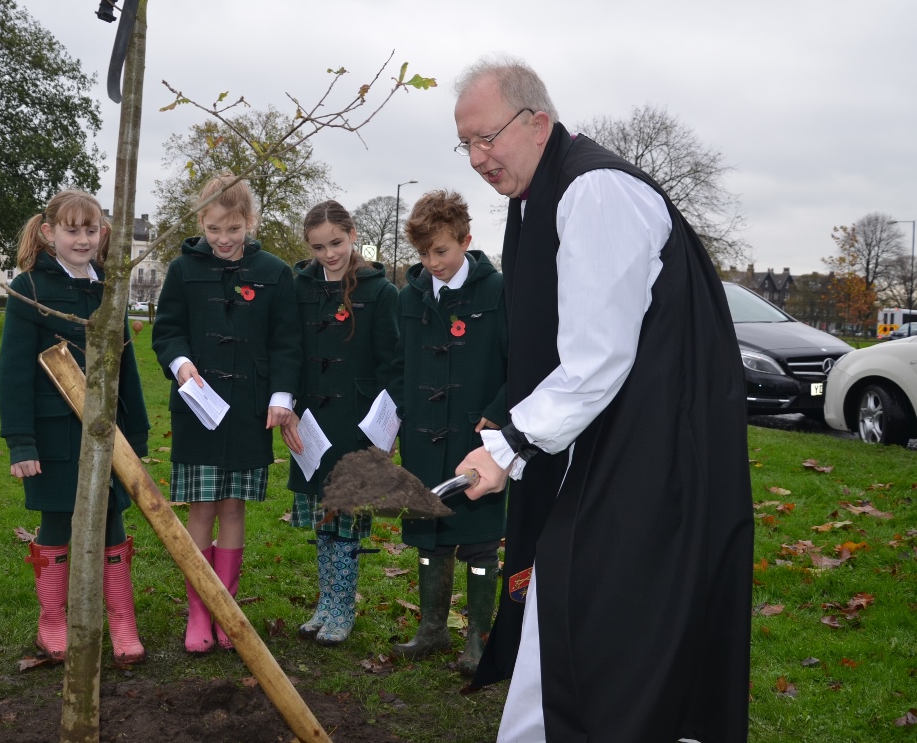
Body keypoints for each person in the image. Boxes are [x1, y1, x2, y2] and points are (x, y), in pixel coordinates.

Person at [452, 58, 754, 742]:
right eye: (464, 143)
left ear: (538, 123)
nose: (476, 157)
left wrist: (507, 444)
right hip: (610, 451)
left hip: (650, 461)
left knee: (606, 632)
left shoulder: (595, 193)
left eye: (486, 137)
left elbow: (596, 357)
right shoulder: (542, 196)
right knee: (573, 620)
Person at [0, 189, 150, 665]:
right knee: (58, 520)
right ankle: (52, 622)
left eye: (90, 230)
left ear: (102, 234)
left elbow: (126, 367)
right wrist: (21, 441)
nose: (82, 239)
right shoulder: (30, 289)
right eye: (72, 229)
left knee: (111, 518)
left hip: (108, 434)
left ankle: (122, 623)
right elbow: (14, 371)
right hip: (53, 435)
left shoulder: (111, 287)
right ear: (49, 234)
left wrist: (137, 435)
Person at [152, 174, 302, 653]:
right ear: (201, 221)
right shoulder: (182, 270)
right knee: (200, 508)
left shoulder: (275, 272)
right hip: (197, 408)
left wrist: (282, 397)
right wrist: (180, 364)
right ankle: (200, 612)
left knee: (233, 507)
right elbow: (167, 329)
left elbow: (286, 342)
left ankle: (226, 611)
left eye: (233, 229)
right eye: (215, 228)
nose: (223, 239)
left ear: (249, 223)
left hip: (249, 410)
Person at [387, 190, 507, 675]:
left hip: (478, 439)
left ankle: (478, 641)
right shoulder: (408, 297)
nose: (432, 263)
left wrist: (500, 412)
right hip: (422, 436)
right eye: (422, 254)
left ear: (465, 241)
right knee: (429, 537)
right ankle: (432, 629)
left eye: (441, 251)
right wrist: (396, 411)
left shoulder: (497, 292)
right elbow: (398, 364)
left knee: (478, 542)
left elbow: (522, 361)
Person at [281, 199, 399, 645]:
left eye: (336, 242)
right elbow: (288, 348)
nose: (329, 254)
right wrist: (287, 402)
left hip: (357, 422)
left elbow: (393, 364)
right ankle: (324, 603)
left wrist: (386, 429)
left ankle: (342, 608)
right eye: (318, 247)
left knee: (346, 516)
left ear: (352, 234)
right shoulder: (300, 288)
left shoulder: (380, 291)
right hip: (310, 422)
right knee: (323, 517)